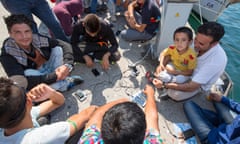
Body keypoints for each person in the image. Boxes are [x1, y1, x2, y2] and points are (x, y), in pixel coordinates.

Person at [0, 76, 97, 143]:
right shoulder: (45, 136)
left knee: (43, 120)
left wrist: (51, 93)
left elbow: (58, 102)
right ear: (28, 101)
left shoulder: (8, 120)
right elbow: (91, 111)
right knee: (87, 128)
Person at [0, 14, 83, 91]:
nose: (24, 36)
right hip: (36, 77)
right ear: (10, 34)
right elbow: (23, 82)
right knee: (27, 74)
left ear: (31, 31)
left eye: (27, 31)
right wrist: (56, 76)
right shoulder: (7, 54)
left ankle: (57, 85)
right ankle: (65, 83)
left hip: (50, 69)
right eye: (18, 32)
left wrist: (67, 65)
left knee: (58, 49)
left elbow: (64, 44)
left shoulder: (36, 38)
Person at [153, 22, 227, 101]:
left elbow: (192, 87)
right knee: (162, 73)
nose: (195, 45)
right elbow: (170, 53)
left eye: (201, 44)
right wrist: (161, 66)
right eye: (195, 40)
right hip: (184, 69)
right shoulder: (195, 42)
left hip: (196, 83)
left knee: (175, 94)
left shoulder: (215, 62)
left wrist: (164, 85)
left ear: (214, 44)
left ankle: (170, 86)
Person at [78, 84, 163, 143]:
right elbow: (152, 118)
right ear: (144, 133)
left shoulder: (90, 140)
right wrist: (150, 94)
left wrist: (120, 101)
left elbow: (98, 113)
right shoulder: (153, 141)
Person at [0, 0, 69, 42]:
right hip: (15, 2)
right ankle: (42, 55)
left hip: (38, 1)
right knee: (31, 30)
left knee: (54, 23)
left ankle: (68, 49)